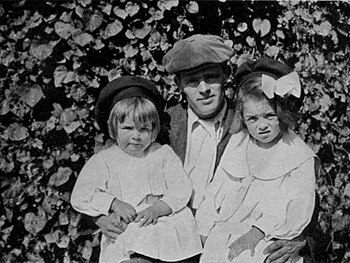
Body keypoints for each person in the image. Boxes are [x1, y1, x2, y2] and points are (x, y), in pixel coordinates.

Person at [94, 34, 328, 263]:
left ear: (226, 75)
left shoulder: (249, 119)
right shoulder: (161, 126)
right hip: (164, 236)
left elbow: (296, 183)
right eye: (192, 81)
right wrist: (100, 217)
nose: (203, 88)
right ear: (179, 85)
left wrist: (299, 237)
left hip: (223, 240)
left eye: (211, 77)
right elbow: (109, 169)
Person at [195, 57, 318, 263]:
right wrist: (204, 228)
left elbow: (299, 204)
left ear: (282, 113)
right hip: (227, 229)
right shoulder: (238, 143)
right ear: (242, 117)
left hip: (270, 234)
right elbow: (216, 189)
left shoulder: (297, 154)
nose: (262, 126)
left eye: (269, 116)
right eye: (253, 118)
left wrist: (259, 231)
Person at [70, 76, 202, 263]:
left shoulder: (162, 153)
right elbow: (81, 194)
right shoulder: (104, 160)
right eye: (128, 128)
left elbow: (181, 188)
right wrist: (113, 203)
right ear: (113, 129)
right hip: (128, 226)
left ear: (154, 129)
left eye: (143, 129)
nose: (136, 137)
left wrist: (158, 209)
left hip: (164, 221)